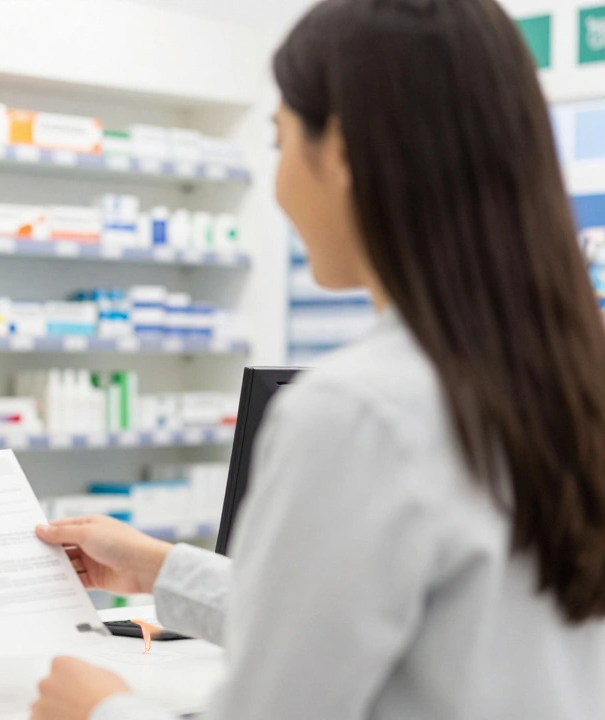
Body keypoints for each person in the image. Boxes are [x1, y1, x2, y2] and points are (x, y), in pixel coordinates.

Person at [32, 0, 605, 718]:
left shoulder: (358, 412)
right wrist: (161, 567)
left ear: (340, 151)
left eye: (278, 143)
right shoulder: (562, 379)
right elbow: (365, 621)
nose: (275, 187)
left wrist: (103, 712)